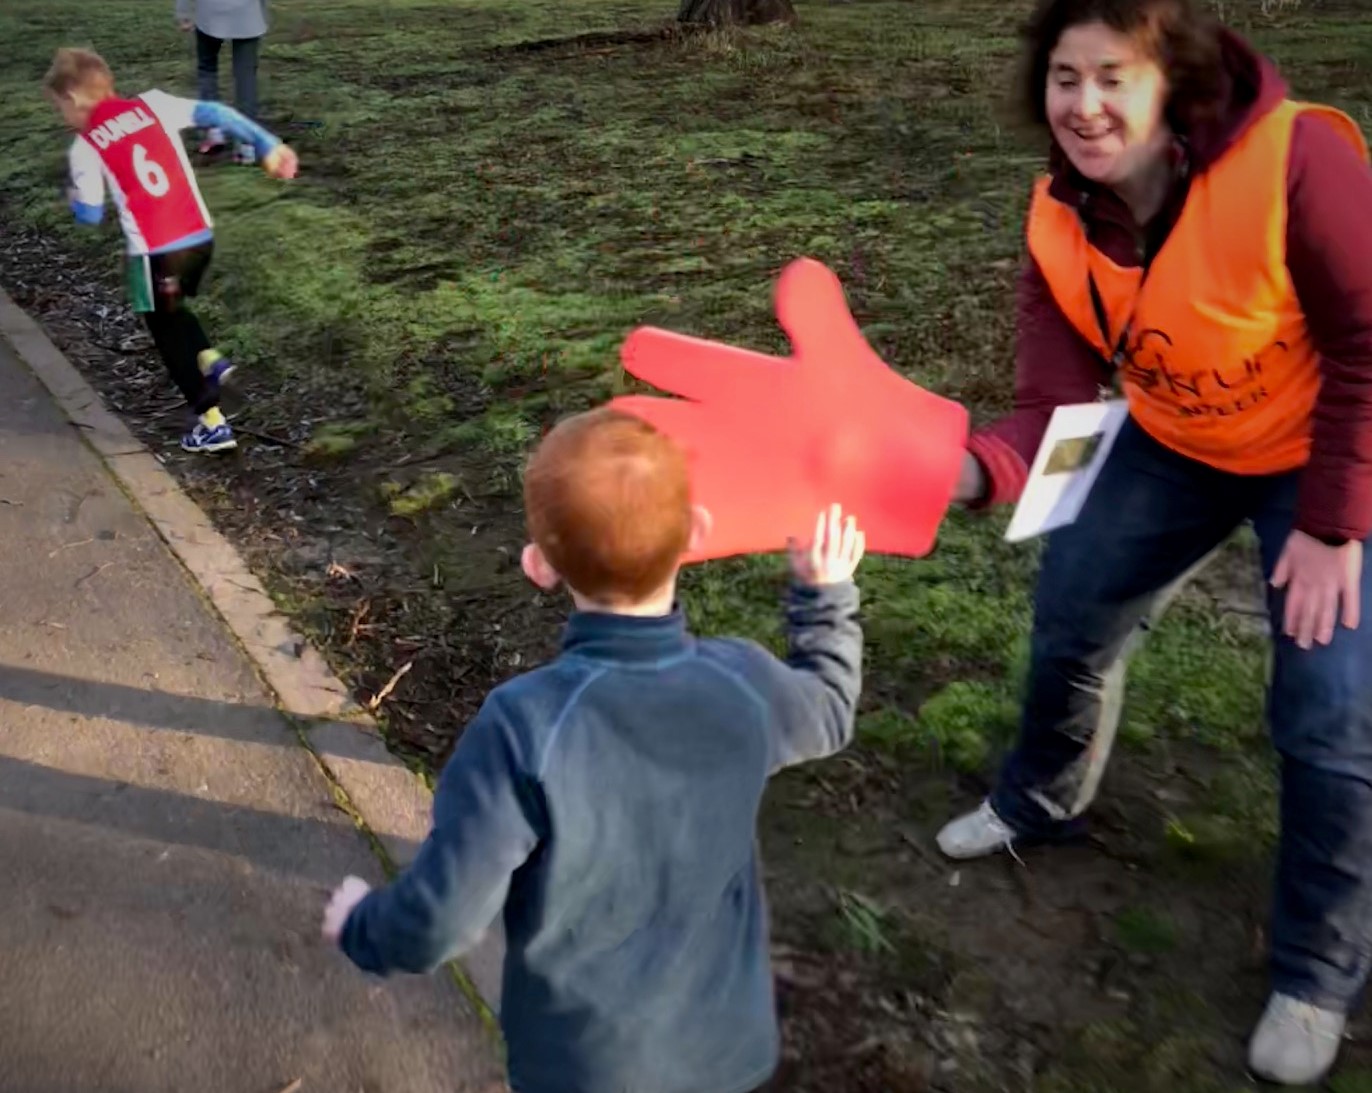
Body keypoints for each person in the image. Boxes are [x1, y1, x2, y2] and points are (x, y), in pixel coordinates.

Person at [930, 0, 1372, 1085]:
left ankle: (1317, 966)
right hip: (1174, 445)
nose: (1084, 106)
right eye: (1064, 78)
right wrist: (975, 469)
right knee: (1073, 605)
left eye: (1112, 77)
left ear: (1169, 81)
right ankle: (1041, 799)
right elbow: (1050, 406)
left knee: (1327, 707)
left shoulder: (1296, 157)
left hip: (1324, 451)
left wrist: (1329, 525)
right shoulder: (1055, 220)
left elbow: (1368, 341)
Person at [321, 408, 866, 1093]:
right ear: (696, 533)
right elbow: (832, 707)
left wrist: (359, 925)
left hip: (581, 1066)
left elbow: (438, 920)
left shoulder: (523, 724)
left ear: (539, 565)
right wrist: (824, 597)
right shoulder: (746, 683)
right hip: (726, 1050)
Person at [44, 47, 298, 454]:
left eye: (61, 109)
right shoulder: (154, 104)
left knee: (165, 332)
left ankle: (211, 421)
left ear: (72, 99)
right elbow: (218, 114)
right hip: (199, 240)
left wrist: (73, 193)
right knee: (176, 312)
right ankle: (209, 359)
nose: (64, 117)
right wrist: (268, 145)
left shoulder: (86, 146)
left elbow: (90, 215)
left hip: (154, 253)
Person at [175, 0, 269, 163]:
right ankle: (247, 146)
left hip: (210, 12)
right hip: (248, 14)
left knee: (207, 69)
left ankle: (213, 131)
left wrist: (183, 12)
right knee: (246, 78)